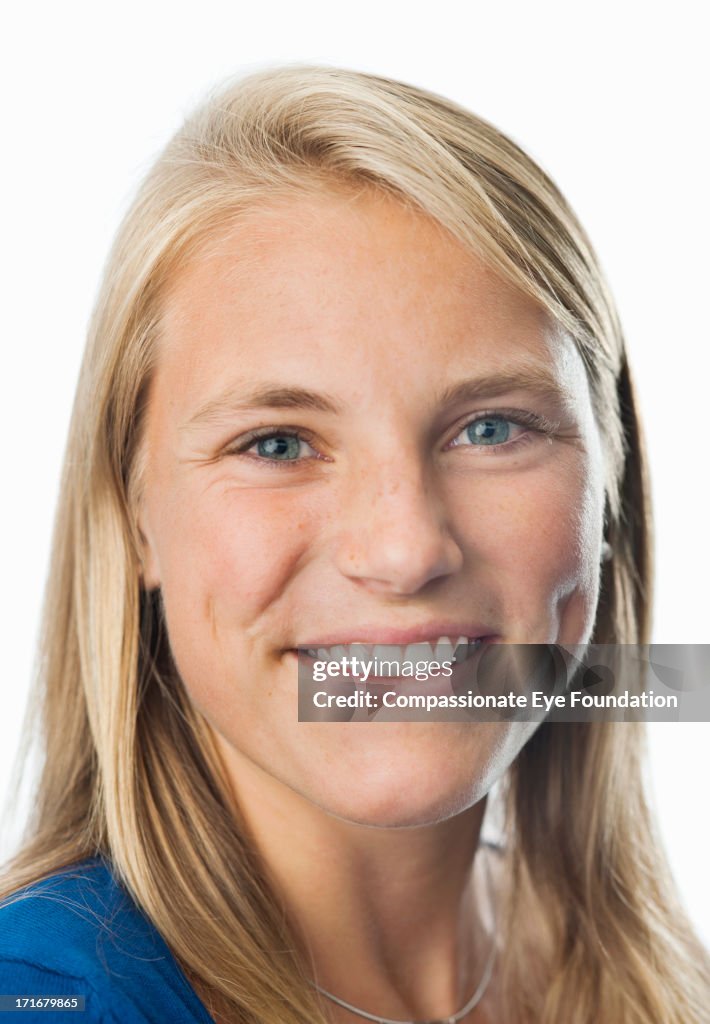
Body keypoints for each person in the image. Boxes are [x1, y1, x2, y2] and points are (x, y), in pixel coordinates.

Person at [0, 64, 707, 1024]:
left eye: (491, 428)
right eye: (278, 444)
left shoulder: (665, 981)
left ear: (609, 481)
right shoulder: (46, 998)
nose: (407, 550)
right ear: (131, 521)